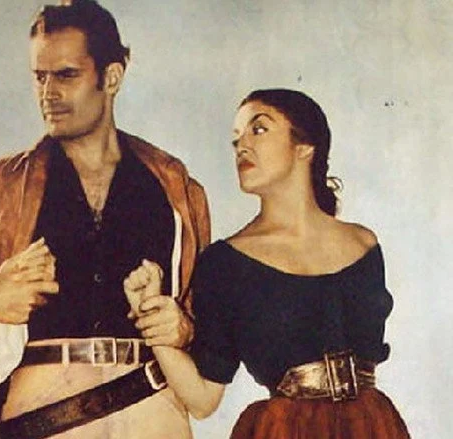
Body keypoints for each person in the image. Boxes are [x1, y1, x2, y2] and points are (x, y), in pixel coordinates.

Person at [0, 1, 210, 437]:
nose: (48, 93)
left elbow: (209, 324)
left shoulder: (174, 186)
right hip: (41, 411)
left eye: (66, 75)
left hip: (152, 407)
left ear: (112, 77)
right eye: (39, 77)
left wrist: (183, 329)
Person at [124, 88, 410, 438]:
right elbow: (203, 399)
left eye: (258, 129)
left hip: (371, 428)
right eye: (236, 139)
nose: (242, 146)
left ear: (305, 146)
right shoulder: (224, 264)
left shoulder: (365, 245)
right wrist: (151, 318)